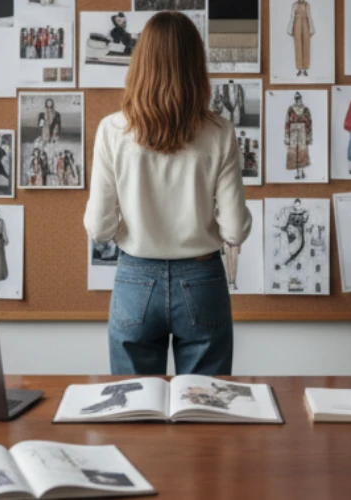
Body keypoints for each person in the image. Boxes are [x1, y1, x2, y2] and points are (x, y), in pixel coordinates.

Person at [83, 11, 252, 376]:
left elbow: (98, 227)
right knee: (205, 408)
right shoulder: (219, 131)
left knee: (134, 411)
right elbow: (236, 231)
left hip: (135, 278)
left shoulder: (112, 130)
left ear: (140, 61)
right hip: (202, 276)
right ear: (196, 64)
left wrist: (133, 225)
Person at [284, 92, 314, 180]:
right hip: (293, 132)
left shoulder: (306, 109)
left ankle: (303, 172)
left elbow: (309, 124)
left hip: (303, 132)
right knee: (294, 154)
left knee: (302, 153)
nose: (298, 100)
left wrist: (309, 136)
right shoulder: (290, 109)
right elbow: (287, 123)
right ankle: (297, 173)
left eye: (299, 98)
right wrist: (287, 136)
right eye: (296, 99)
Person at [288, 0, 314, 77]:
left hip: (306, 24)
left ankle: (305, 69)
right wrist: (290, 29)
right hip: (297, 24)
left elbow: (309, 16)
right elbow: (292, 16)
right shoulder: (294, 5)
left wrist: (311, 29)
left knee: (306, 45)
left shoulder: (307, 5)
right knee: (298, 46)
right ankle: (299, 68)